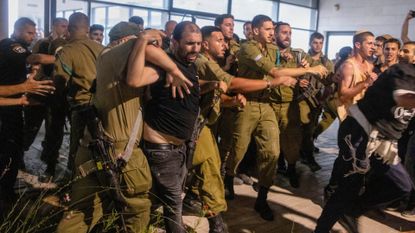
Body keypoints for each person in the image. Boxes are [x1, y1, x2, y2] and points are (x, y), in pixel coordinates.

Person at [57, 22, 190, 233]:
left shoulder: (104, 57)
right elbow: (144, 46)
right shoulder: (124, 49)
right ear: (128, 40)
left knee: (80, 211)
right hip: (121, 151)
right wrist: (172, 67)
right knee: (138, 211)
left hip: (91, 146)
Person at [225, 14, 327, 221]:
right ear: (255, 31)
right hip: (248, 104)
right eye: (268, 29)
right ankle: (228, 179)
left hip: (267, 105)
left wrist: (294, 69)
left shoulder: (272, 49)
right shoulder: (248, 48)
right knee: (238, 148)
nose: (272, 33)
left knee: (272, 153)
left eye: (273, 29)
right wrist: (310, 70)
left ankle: (262, 198)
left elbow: (279, 69)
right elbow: (273, 71)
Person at [314, 62, 415, 233]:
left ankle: (352, 210)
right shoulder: (405, 71)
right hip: (360, 131)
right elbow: (402, 97)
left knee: (401, 186)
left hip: (385, 142)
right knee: (348, 187)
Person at [141, 21, 200, 233]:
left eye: (199, 43)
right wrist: (171, 68)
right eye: (190, 43)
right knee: (174, 201)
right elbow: (146, 49)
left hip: (179, 148)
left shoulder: (190, 63)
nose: (196, 48)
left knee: (167, 199)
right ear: (174, 42)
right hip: (161, 148)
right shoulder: (164, 64)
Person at [53, 13, 104, 173]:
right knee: (100, 145)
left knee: (78, 146)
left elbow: (59, 83)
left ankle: (73, 183)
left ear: (69, 28)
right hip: (103, 105)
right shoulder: (102, 48)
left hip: (82, 107)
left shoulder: (67, 52)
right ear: (87, 29)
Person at [0, 17, 37, 216]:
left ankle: (7, 192)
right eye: (29, 33)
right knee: (8, 152)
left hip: (12, 107)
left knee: (13, 151)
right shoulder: (10, 45)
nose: (33, 36)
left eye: (34, 33)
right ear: (17, 30)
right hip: (6, 114)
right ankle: (6, 197)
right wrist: (62, 55)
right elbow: (33, 59)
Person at [300, 32, 334, 172]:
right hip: (302, 99)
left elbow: (330, 83)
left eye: (320, 43)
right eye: (315, 42)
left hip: (317, 100)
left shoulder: (327, 62)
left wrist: (323, 98)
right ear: (310, 42)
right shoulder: (302, 58)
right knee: (306, 129)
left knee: (312, 127)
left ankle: (303, 151)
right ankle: (308, 157)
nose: (318, 45)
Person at [336, 30, 377, 122]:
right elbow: (342, 97)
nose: (373, 47)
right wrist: (365, 83)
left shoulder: (370, 65)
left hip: (364, 115)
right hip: (349, 118)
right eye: (369, 44)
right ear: (358, 45)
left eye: (374, 44)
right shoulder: (349, 66)